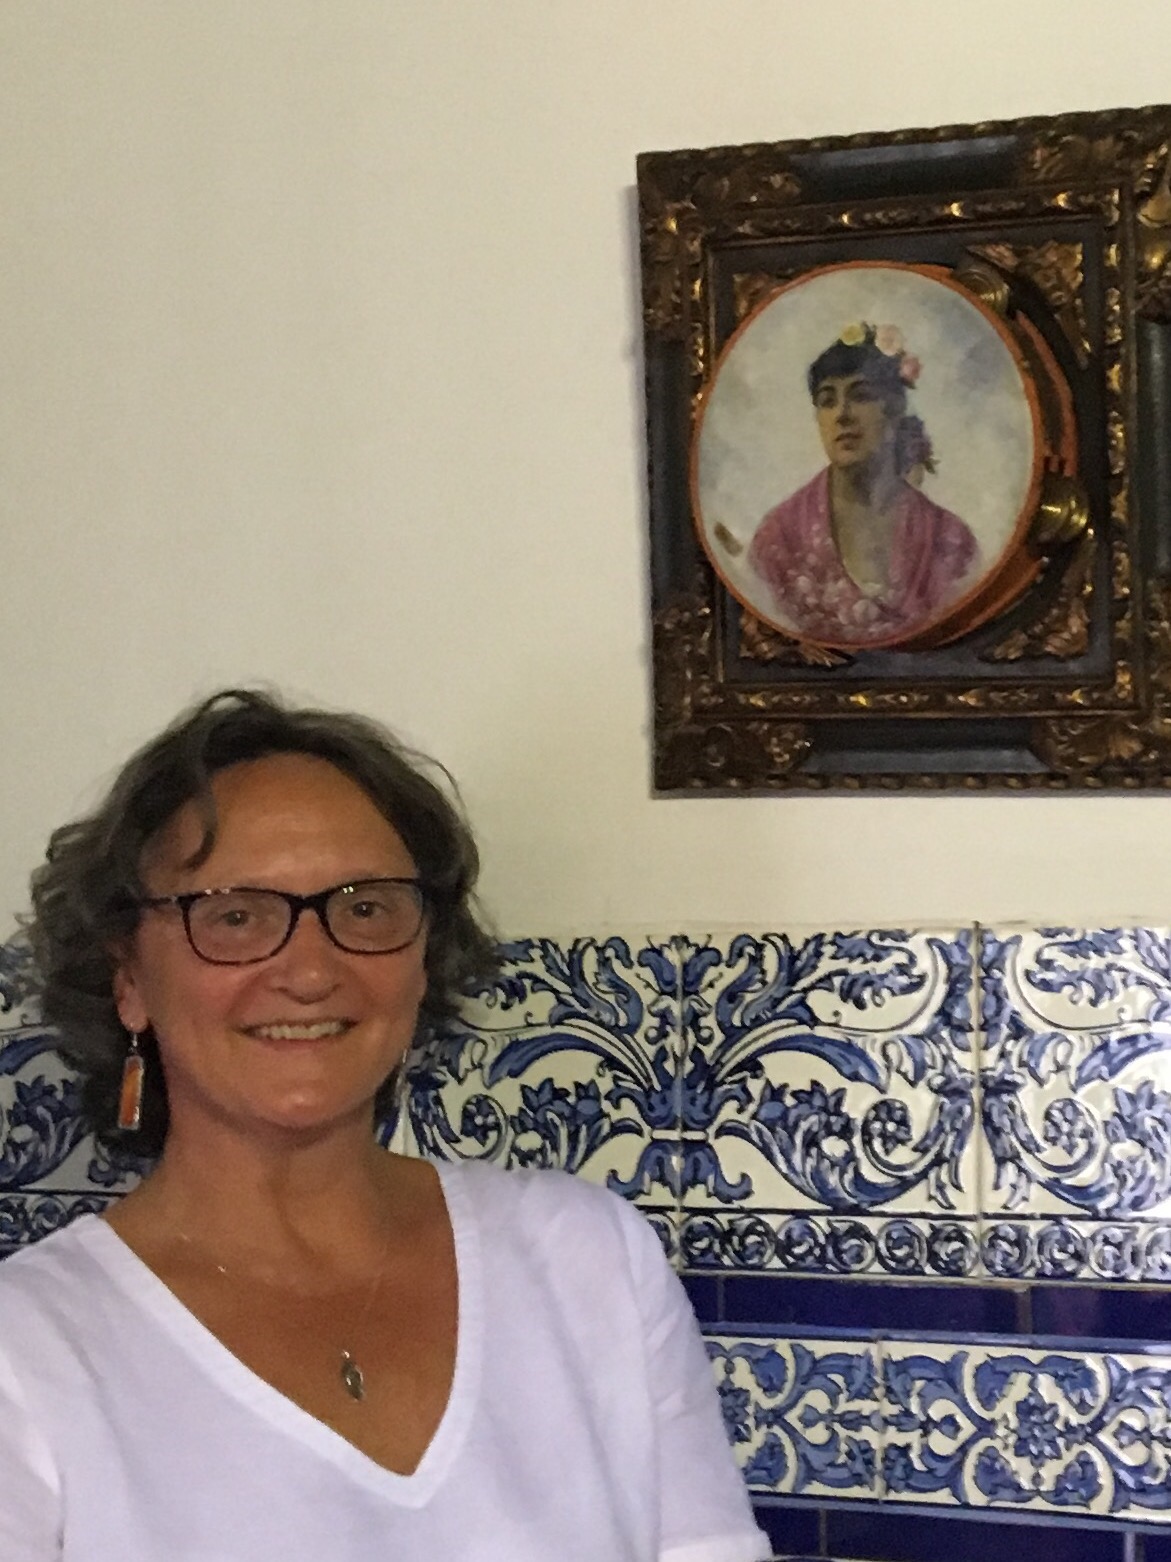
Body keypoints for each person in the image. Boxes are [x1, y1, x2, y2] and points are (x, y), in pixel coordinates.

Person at [0, 689, 768, 1562]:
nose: (309, 971)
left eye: (364, 908)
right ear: (128, 978)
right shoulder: (28, 1352)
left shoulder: (588, 1260)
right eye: (235, 915)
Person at [748, 322, 979, 646]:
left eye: (861, 396)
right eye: (827, 401)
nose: (842, 414)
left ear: (894, 409)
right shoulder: (781, 536)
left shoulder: (947, 537)